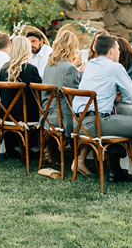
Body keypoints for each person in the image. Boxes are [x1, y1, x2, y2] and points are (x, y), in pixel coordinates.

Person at [74, 34, 132, 188]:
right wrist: (116, 97)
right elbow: (131, 97)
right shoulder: (115, 67)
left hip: (78, 123)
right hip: (96, 123)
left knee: (118, 116)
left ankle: (117, 170)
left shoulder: (90, 65)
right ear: (111, 51)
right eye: (118, 50)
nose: (119, 53)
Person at [42, 30, 86, 171]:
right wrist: (82, 72)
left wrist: (75, 70)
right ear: (71, 47)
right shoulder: (69, 68)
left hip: (47, 115)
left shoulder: (49, 64)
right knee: (87, 118)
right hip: (62, 117)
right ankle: (80, 159)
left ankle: (51, 149)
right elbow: (74, 96)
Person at [0, 36, 42, 158]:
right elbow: (40, 93)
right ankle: (39, 149)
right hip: (25, 116)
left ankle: (12, 148)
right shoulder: (31, 70)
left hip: (6, 115)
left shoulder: (3, 69)